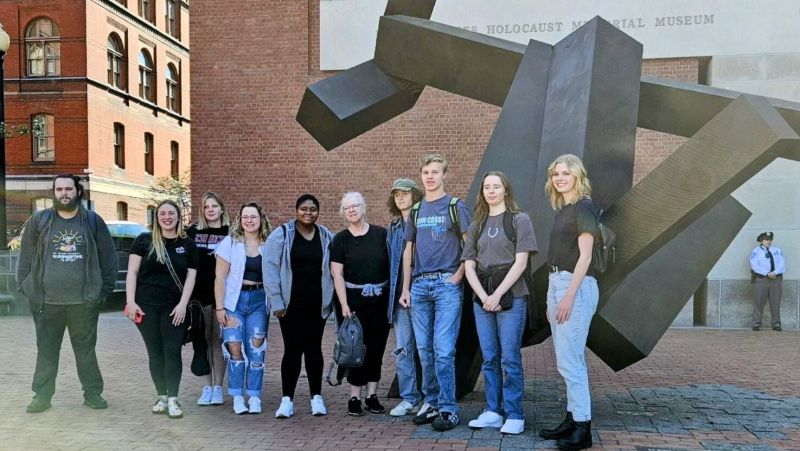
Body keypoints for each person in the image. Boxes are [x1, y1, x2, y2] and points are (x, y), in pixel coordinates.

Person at [17, 174, 118, 413]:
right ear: (54, 192)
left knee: (85, 352)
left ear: (78, 192)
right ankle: (42, 396)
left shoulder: (92, 221)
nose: (64, 193)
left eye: (68, 189)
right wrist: (26, 287)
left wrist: (102, 292)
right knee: (47, 351)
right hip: (46, 302)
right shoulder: (39, 221)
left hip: (83, 302)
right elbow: (25, 257)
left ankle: (92, 394)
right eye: (59, 189)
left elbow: (109, 258)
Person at [399, 154, 471, 431]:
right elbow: (408, 250)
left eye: (435, 172)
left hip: (446, 285)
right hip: (419, 286)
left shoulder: (454, 206)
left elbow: (469, 245)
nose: (430, 176)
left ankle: (449, 408)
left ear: (444, 175)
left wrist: (459, 275)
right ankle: (431, 402)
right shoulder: (416, 211)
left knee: (443, 350)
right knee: (424, 350)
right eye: (426, 172)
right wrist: (406, 288)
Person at [463, 171, 537, 435]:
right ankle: (493, 411)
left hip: (512, 296)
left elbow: (521, 262)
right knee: (490, 357)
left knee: (510, 358)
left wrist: (497, 295)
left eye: (496, 187)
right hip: (481, 299)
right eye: (487, 187)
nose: (491, 191)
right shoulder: (476, 224)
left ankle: (515, 414)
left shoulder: (520, 220)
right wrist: (484, 297)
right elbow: (469, 266)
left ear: (506, 190)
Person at [538, 154, 599, 450]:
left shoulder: (585, 206)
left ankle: (583, 428)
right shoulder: (563, 209)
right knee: (564, 361)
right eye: (555, 174)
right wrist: (552, 298)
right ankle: (572, 419)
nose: (560, 178)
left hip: (575, 285)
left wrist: (568, 297)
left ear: (577, 175)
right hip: (556, 283)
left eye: (565, 173)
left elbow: (585, 256)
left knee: (572, 361)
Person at [125, 200, 198, 419]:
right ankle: (162, 396)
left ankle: (174, 398)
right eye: (162, 213)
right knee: (155, 352)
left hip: (174, 307)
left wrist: (183, 304)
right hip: (146, 306)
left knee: (172, 351)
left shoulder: (187, 243)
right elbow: (132, 273)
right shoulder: (144, 241)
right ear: (156, 217)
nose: (167, 217)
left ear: (178, 217)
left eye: (171, 213)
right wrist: (130, 302)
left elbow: (191, 276)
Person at [264, 194, 335, 418]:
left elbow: (336, 267)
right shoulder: (282, 234)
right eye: (304, 208)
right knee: (292, 351)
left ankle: (316, 397)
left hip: (317, 304)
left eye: (313, 209)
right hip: (289, 305)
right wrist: (276, 301)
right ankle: (287, 400)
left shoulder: (326, 236)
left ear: (318, 212)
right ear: (296, 211)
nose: (308, 213)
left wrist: (332, 300)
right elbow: (270, 268)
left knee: (314, 349)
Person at [331, 192, 391, 416]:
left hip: (380, 301)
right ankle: (354, 396)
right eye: (347, 208)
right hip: (353, 302)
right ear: (343, 213)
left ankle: (371, 396)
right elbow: (337, 275)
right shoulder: (340, 240)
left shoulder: (381, 235)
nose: (352, 210)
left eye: (355, 206)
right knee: (355, 348)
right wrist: (344, 305)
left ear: (364, 207)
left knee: (376, 348)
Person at [214, 203, 271, 414]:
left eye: (253, 216)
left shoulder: (269, 243)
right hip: (233, 303)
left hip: (259, 300)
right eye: (245, 216)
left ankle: (254, 396)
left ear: (260, 218)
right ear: (240, 219)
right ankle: (237, 396)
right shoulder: (230, 243)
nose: (249, 220)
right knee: (234, 349)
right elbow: (219, 278)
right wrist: (220, 308)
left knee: (256, 349)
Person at [186, 192, 230, 406]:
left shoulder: (230, 232)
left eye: (214, 206)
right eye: (206, 207)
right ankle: (206, 386)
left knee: (217, 341)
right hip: (198, 295)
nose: (210, 210)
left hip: (221, 295)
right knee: (201, 341)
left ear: (222, 208)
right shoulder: (192, 232)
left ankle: (218, 388)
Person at [385, 178, 424, 417]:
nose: (400, 197)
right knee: (403, 350)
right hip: (400, 298)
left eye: (405, 193)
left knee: (426, 348)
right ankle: (409, 398)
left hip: (423, 293)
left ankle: (431, 399)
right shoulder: (393, 227)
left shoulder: (424, 221)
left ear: (415, 195)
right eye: (396, 194)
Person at [749, 232, 786, 331]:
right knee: (759, 301)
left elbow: (782, 263)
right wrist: (767, 273)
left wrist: (775, 272)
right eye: (766, 239)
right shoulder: (756, 251)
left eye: (770, 239)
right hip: (762, 279)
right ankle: (756, 323)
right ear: (761, 241)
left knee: (775, 302)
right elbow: (754, 265)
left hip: (775, 279)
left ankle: (776, 323)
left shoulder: (777, 250)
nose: (768, 241)